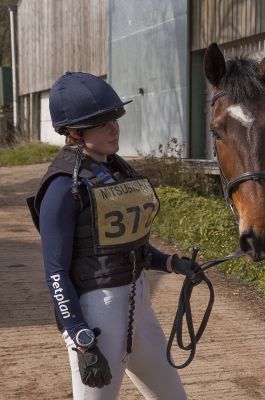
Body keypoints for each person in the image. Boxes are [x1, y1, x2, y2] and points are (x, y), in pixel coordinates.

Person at [27, 72, 197, 399]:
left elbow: (129, 242)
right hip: (98, 313)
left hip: (138, 304)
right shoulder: (63, 187)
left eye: (114, 119)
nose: (114, 128)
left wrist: (170, 262)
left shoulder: (116, 170)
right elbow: (56, 273)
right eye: (102, 122)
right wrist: (80, 337)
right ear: (75, 132)